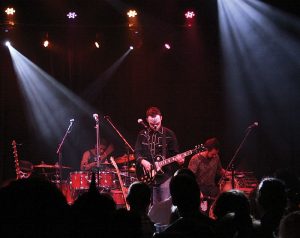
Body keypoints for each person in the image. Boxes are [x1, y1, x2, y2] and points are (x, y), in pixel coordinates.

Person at [134, 106, 184, 205]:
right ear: (147, 120)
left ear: (161, 118)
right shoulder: (142, 134)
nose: (155, 126)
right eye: (152, 124)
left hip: (164, 177)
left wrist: (180, 160)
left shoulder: (169, 134)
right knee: (144, 205)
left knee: (163, 207)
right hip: (145, 176)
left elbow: (176, 154)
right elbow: (137, 152)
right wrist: (143, 162)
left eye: (157, 123)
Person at [188, 137, 226, 201]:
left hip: (211, 188)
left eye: (216, 154)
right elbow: (189, 178)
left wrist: (231, 174)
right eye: (213, 154)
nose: (214, 156)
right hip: (199, 189)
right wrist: (197, 192)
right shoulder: (195, 159)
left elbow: (219, 170)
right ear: (206, 150)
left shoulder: (216, 157)